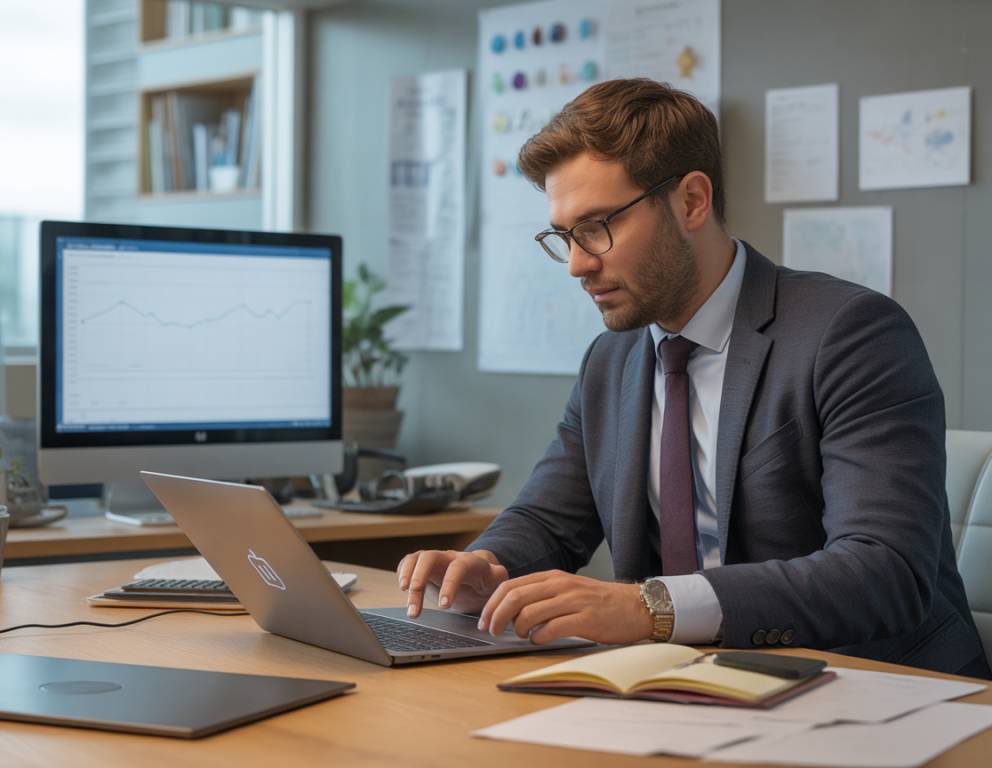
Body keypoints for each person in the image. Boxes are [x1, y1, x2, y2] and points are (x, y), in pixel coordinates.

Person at [397, 78, 990, 678]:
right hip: (690, 683)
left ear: (691, 202)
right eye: (565, 236)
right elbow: (547, 519)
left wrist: (647, 607)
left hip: (876, 685)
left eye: (597, 226)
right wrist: (484, 564)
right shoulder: (611, 360)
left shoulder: (851, 333)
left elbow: (884, 570)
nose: (577, 264)